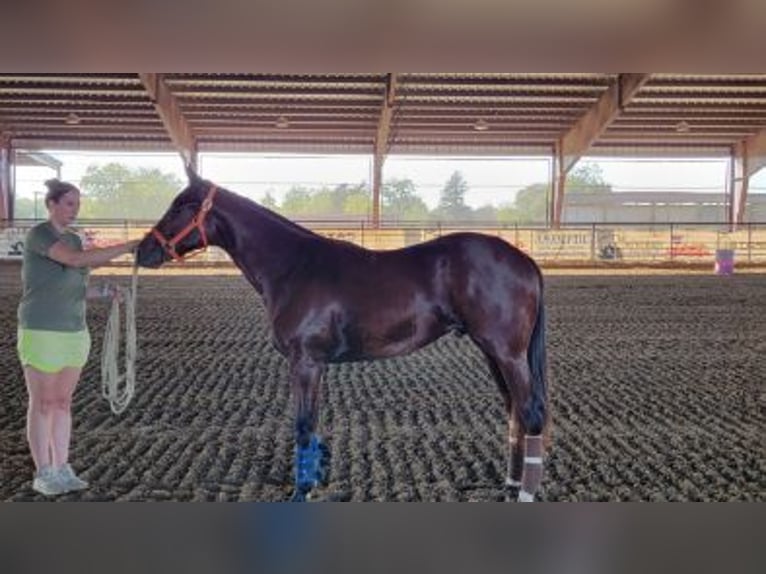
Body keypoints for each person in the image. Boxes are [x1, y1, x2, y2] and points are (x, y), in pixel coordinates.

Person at [16, 178, 140, 496]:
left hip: (74, 332)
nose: (75, 210)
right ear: (52, 204)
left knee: (62, 402)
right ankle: (44, 470)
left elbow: (75, 286)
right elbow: (74, 261)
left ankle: (62, 467)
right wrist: (128, 247)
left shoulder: (74, 239)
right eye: (69, 203)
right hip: (42, 330)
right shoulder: (40, 234)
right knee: (42, 403)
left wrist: (105, 290)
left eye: (77, 204)